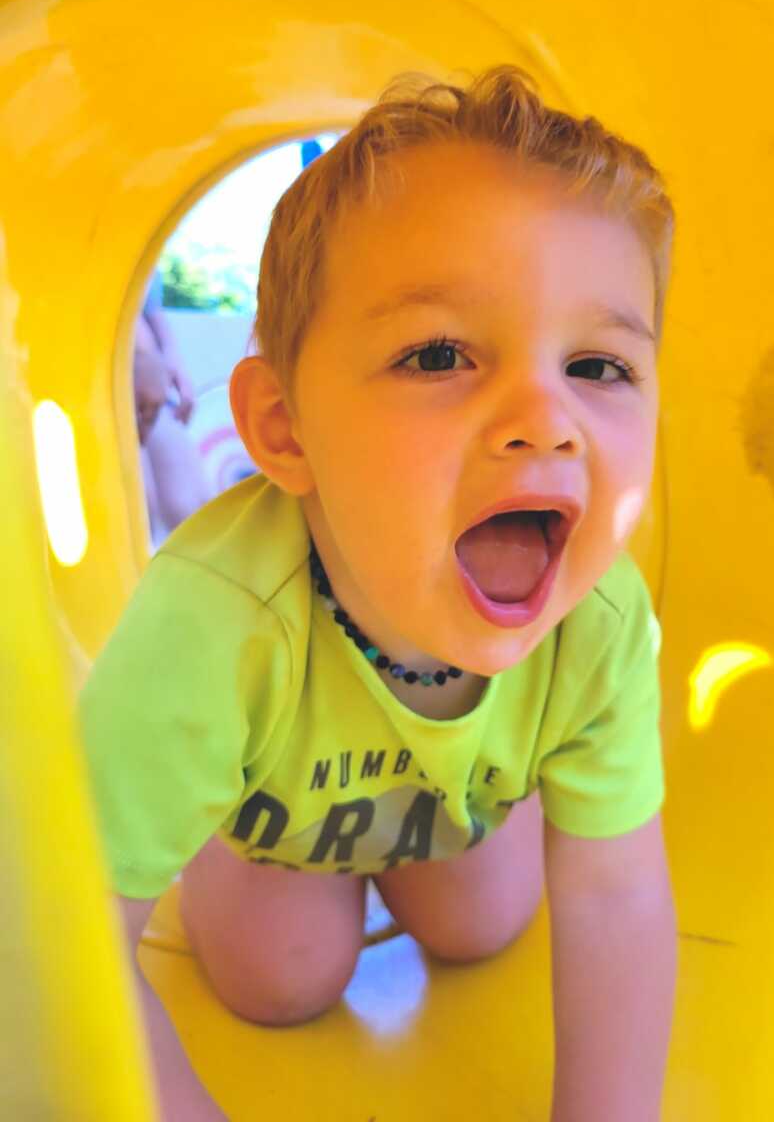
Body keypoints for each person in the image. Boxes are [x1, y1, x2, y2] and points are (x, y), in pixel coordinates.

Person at [80, 65, 678, 1122]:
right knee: (282, 978)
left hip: (449, 815)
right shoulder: (209, 627)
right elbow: (64, 949)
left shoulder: (601, 618)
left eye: (599, 365)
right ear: (284, 429)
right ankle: (224, 839)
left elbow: (620, 891)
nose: (545, 418)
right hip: (284, 826)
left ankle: (481, 803)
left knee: (484, 923)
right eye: (440, 354)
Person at [134, 268, 211, 546]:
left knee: (192, 510)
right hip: (94, 366)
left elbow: (148, 298)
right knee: (135, 507)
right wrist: (142, 355)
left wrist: (169, 357)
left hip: (145, 366)